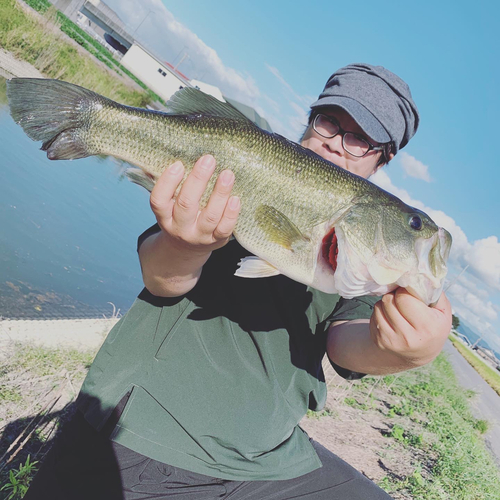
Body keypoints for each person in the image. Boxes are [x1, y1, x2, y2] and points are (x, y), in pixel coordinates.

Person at [24, 63, 451, 499]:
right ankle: (92, 122)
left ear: (383, 157)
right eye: (329, 122)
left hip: (268, 457)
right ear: (312, 115)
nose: (336, 144)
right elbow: (161, 278)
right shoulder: (250, 160)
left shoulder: (366, 268)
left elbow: (348, 346)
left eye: (360, 138)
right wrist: (186, 245)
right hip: (150, 435)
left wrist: (405, 351)